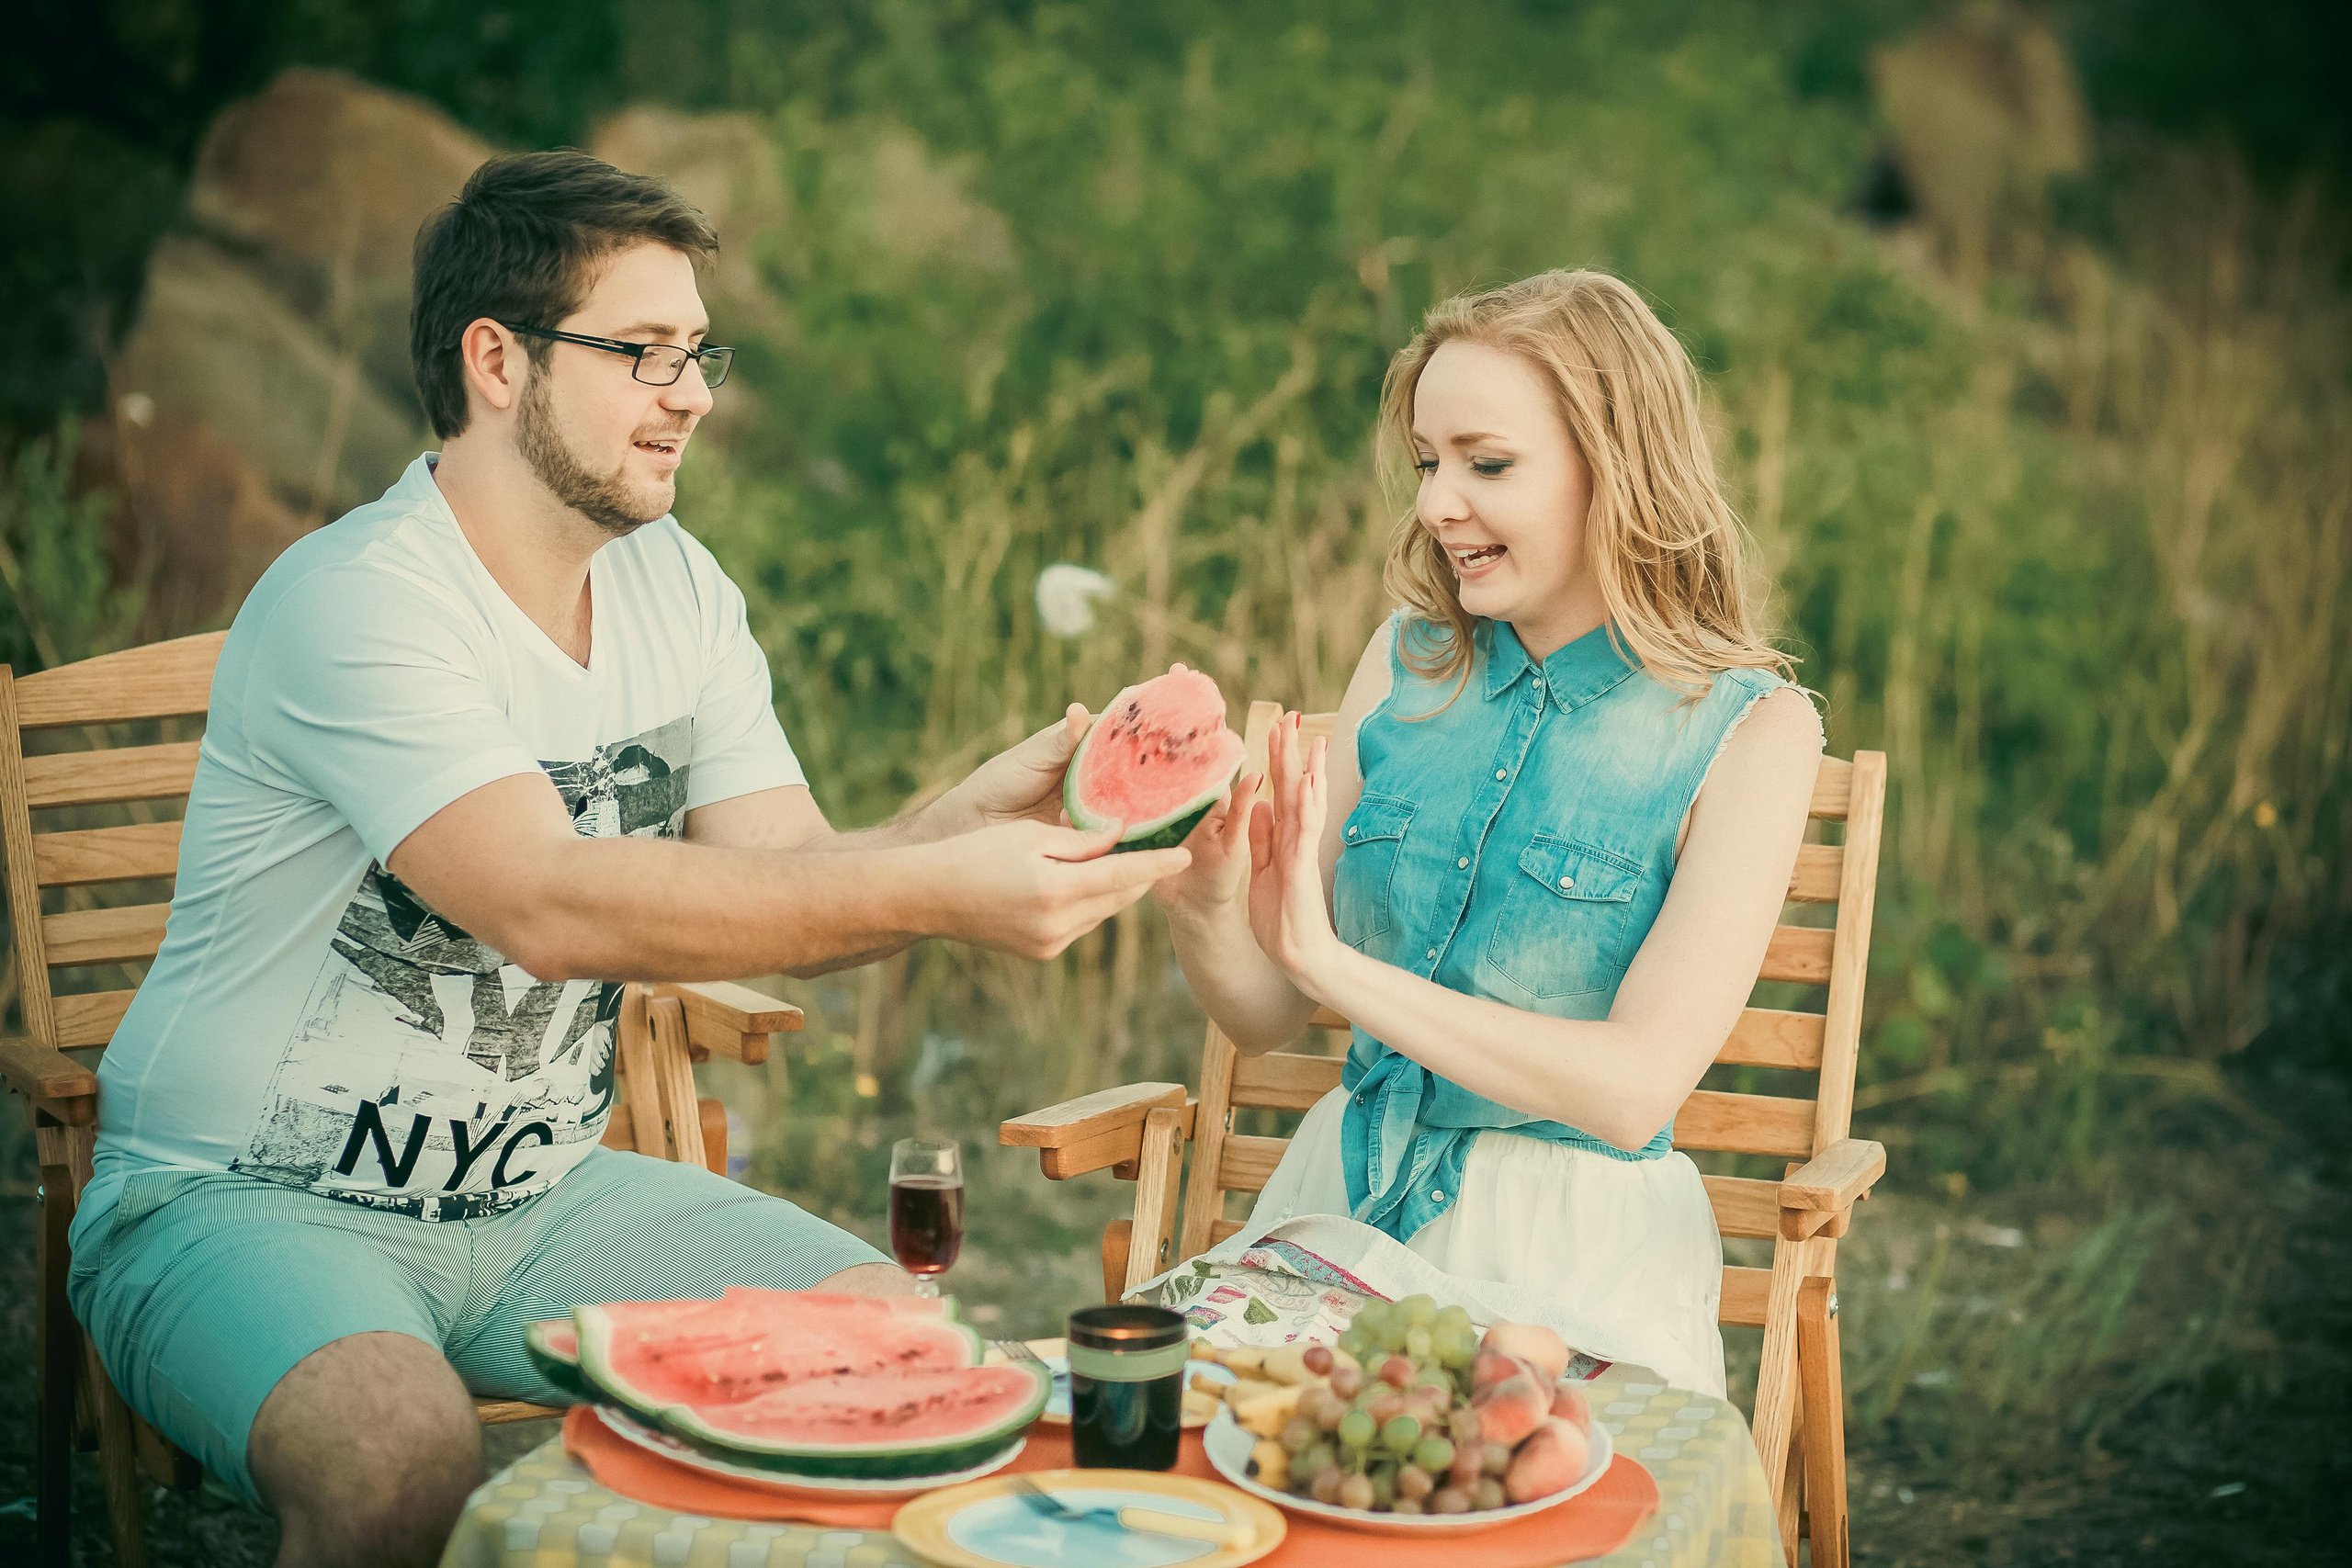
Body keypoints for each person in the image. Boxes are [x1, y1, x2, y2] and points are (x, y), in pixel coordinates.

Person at [66, 151, 1187, 1568]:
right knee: (403, 1456)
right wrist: (936, 886)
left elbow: (790, 879)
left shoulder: (678, 585)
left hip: (545, 1199)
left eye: (700, 350)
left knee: (911, 1353)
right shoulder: (357, 602)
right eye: (645, 350)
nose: (698, 392)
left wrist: (963, 826)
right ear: (496, 360)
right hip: (243, 1196)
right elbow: (549, 901)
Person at [1154, 270, 1825, 1397]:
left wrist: (1325, 961)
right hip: (1335, 1213)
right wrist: (1208, 901)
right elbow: (1264, 1013)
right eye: (1427, 463)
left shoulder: (1753, 729)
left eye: (1487, 464)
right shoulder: (1403, 660)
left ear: (1615, 468)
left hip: (1570, 1257)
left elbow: (1631, 1090)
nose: (1433, 506)